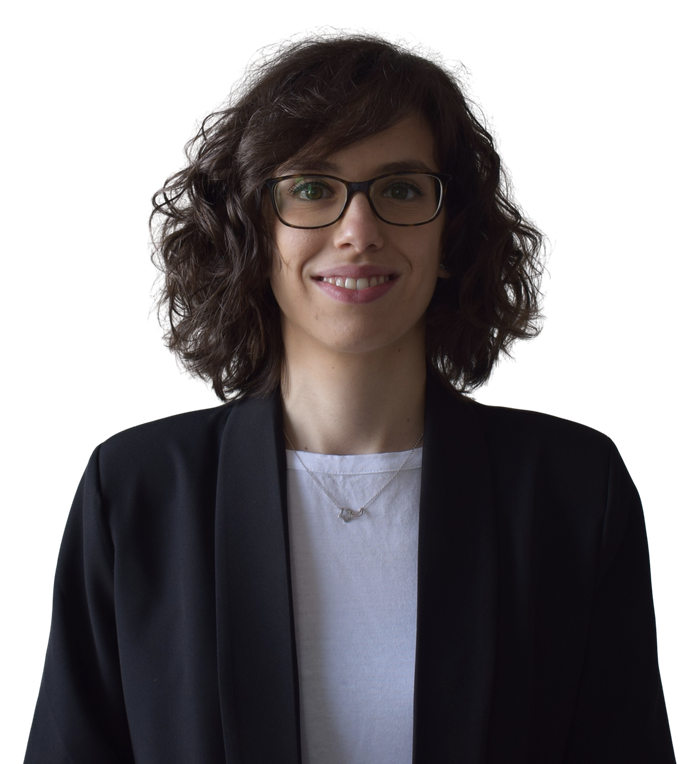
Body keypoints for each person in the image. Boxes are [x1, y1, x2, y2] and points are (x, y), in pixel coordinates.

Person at [24, 34, 675, 764]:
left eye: (401, 189)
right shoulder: (136, 493)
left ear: (452, 230)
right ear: (253, 227)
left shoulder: (572, 491)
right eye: (312, 188)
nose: (358, 233)